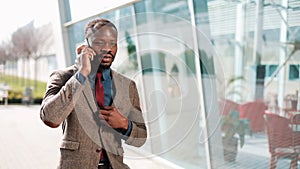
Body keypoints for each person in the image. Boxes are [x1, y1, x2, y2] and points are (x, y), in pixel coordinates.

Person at [40, 18, 147, 169]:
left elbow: (141, 137)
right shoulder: (62, 77)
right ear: (86, 45)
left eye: (112, 43)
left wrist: (123, 123)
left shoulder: (128, 85)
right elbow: (50, 118)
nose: (108, 49)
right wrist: (82, 73)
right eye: (100, 43)